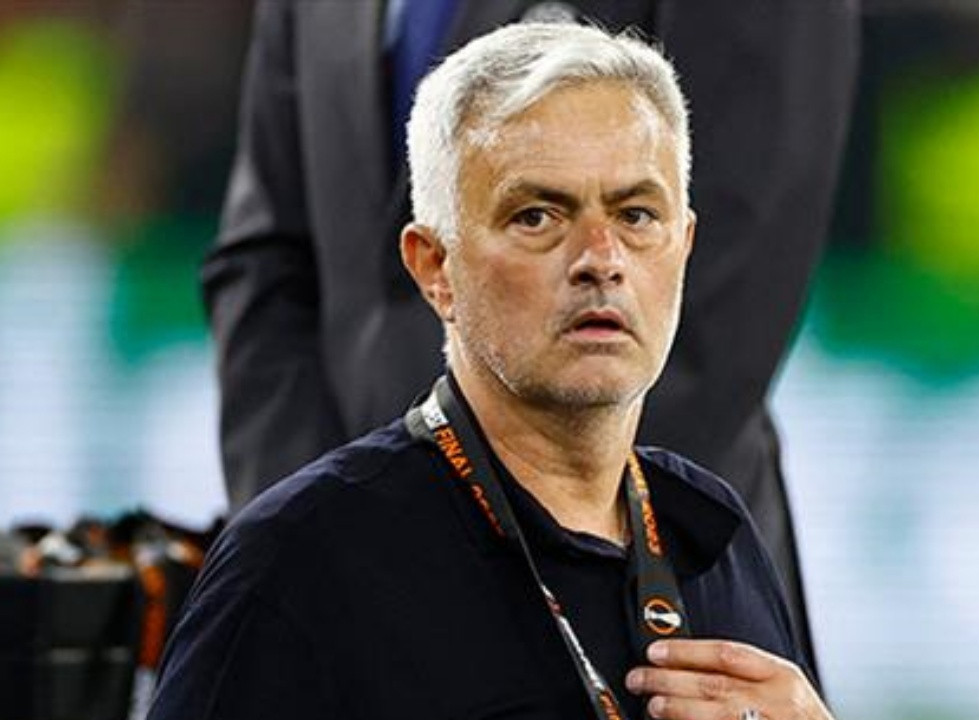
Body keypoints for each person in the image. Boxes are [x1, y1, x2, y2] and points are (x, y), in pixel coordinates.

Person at [152, 23, 834, 720]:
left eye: (636, 214)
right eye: (537, 217)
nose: (601, 258)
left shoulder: (716, 538)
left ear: (684, 245)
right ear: (434, 268)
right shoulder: (298, 562)